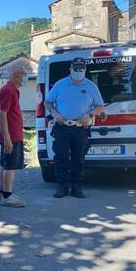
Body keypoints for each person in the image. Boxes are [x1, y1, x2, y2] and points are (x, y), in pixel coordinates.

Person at [44, 57, 104, 199]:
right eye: (76, 69)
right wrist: (55, 114)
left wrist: (89, 115)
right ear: (70, 69)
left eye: (81, 69)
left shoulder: (91, 86)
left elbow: (100, 106)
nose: (79, 71)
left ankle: (76, 187)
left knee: (79, 159)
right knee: (61, 158)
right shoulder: (60, 85)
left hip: (80, 128)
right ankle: (62, 187)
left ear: (85, 70)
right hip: (63, 127)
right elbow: (48, 102)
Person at [0, 62, 30, 207]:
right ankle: (7, 196)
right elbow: (2, 115)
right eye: (23, 74)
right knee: (10, 165)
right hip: (10, 136)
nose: (25, 77)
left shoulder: (11, 90)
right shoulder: (9, 90)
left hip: (9, 134)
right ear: (16, 76)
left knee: (4, 163)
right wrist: (8, 138)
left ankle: (1, 192)